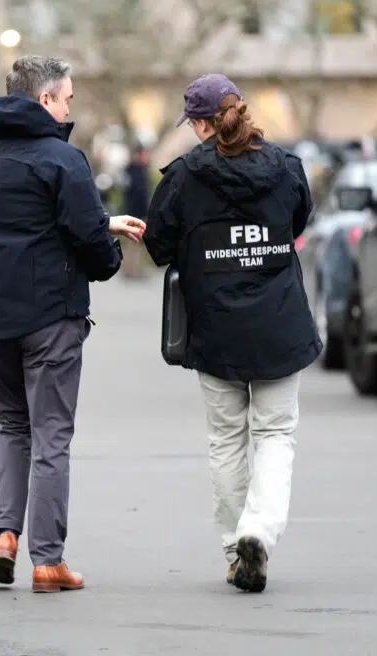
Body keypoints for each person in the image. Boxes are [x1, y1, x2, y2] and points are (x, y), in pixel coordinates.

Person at [0, 55, 146, 593]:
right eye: (66, 98)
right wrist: (109, 252)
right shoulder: (63, 159)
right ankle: (47, 560)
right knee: (51, 435)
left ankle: (4, 536)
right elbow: (84, 237)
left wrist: (100, 222)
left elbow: (21, 223)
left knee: (10, 424)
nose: (69, 108)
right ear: (44, 99)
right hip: (49, 315)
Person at [142, 74, 321, 594]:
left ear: (201, 125)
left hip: (215, 326)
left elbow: (158, 247)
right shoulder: (286, 168)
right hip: (279, 324)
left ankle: (234, 547)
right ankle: (257, 532)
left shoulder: (184, 177)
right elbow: (297, 224)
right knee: (275, 434)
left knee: (226, 440)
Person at [120, 144, 153, 279]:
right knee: (131, 242)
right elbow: (135, 194)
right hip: (133, 212)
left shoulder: (140, 170)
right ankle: (128, 269)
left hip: (138, 213)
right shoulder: (133, 171)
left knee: (136, 243)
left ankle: (134, 269)